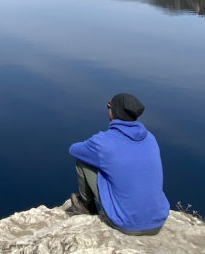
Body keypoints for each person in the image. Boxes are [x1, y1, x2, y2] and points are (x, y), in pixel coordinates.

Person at [68, 93, 169, 235]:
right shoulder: (150, 138)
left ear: (113, 111)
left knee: (83, 161)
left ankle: (86, 208)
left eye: (109, 106)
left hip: (124, 223)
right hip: (158, 221)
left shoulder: (103, 142)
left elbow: (74, 149)